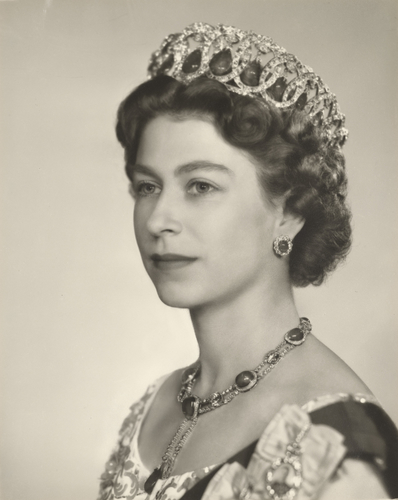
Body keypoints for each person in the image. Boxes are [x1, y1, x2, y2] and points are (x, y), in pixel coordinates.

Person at [97, 23, 398, 500]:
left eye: (201, 186)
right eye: (147, 187)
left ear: (290, 214)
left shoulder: (336, 449)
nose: (158, 219)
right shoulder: (154, 405)